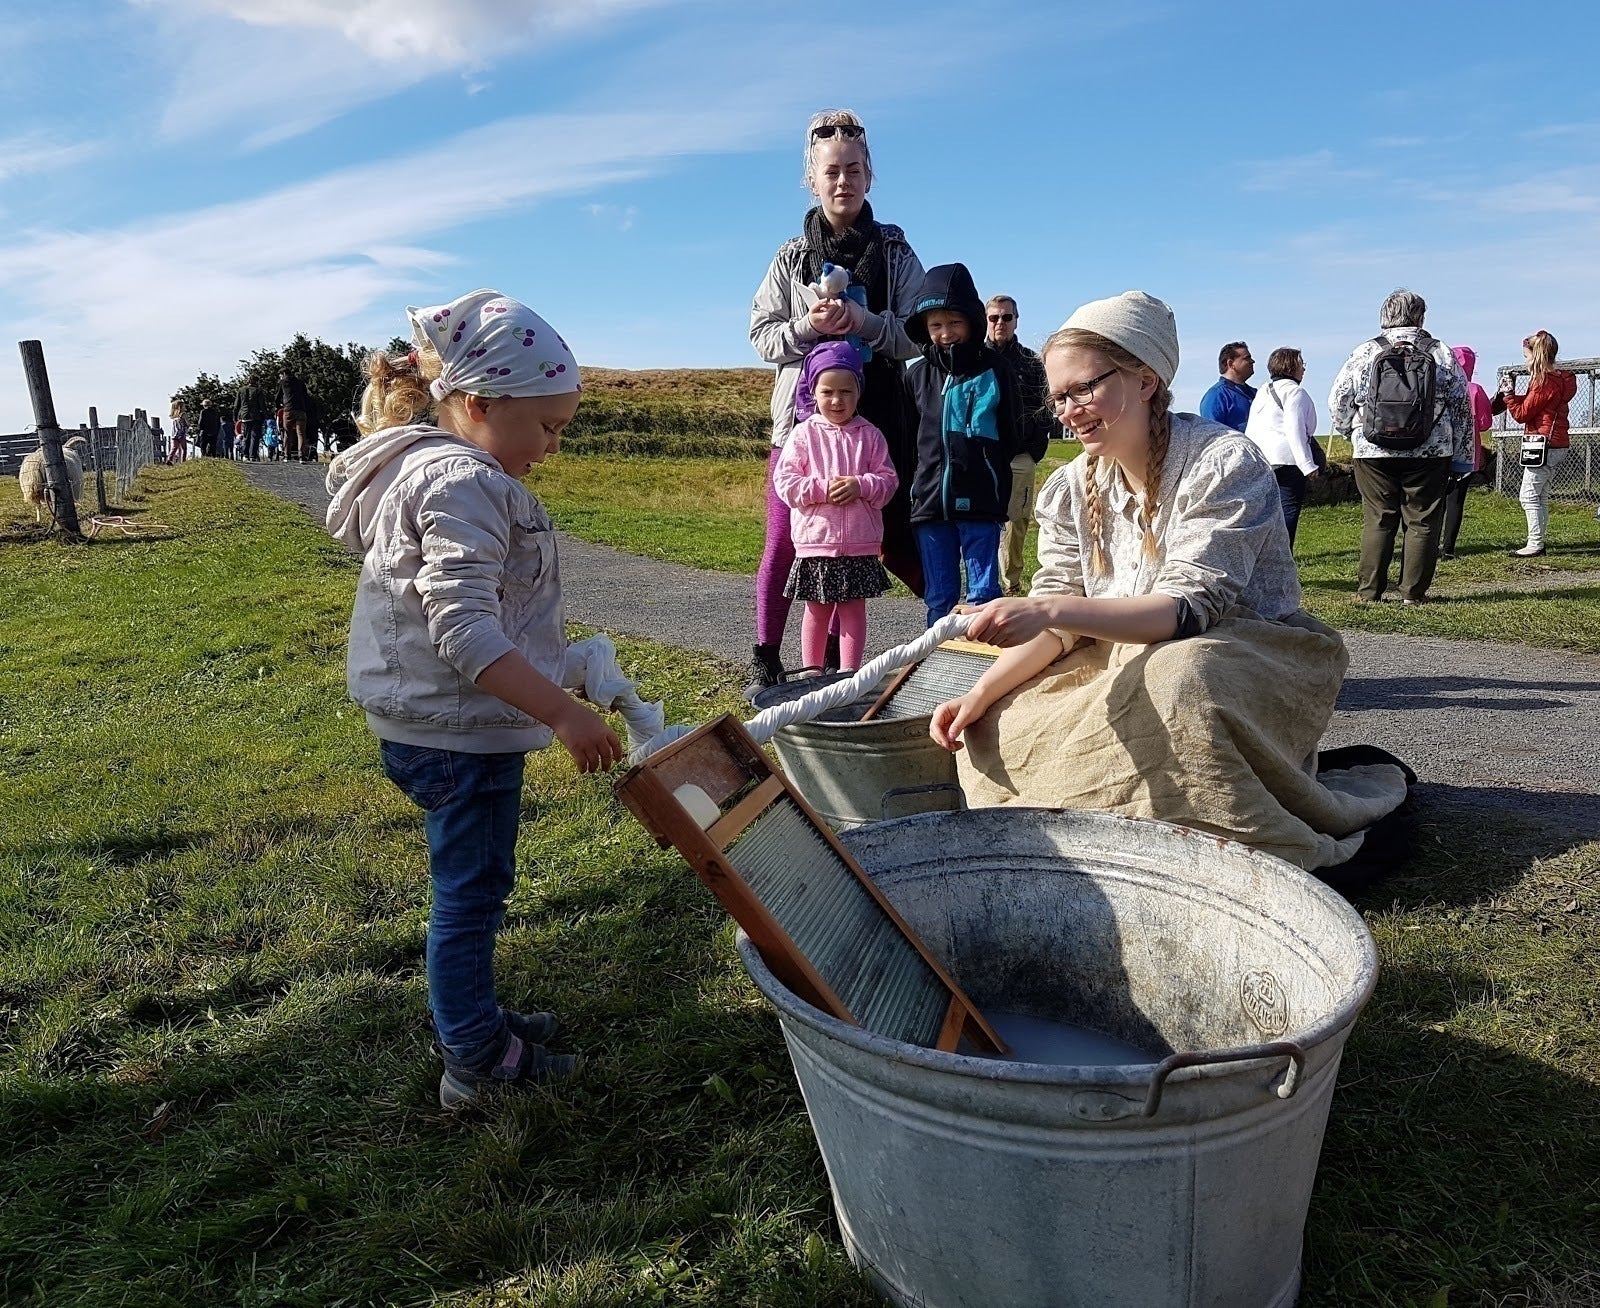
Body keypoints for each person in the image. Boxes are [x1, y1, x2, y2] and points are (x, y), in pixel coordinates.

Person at [927, 290, 1409, 871]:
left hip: (1248, 652)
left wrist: (1052, 613)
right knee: (1000, 719)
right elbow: (1057, 627)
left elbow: (1185, 611)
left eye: (1086, 388)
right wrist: (977, 696)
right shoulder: (1068, 489)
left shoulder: (1225, 463)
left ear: (1145, 379)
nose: (1070, 410)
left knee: (1177, 681)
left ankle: (1227, 839)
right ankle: (1090, 849)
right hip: (1121, 657)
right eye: (1059, 397)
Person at [325, 288, 622, 1108]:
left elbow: (482, 619)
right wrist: (561, 712)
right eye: (549, 427)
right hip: (458, 734)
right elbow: (462, 631)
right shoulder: (465, 483)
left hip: (436, 719)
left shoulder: (442, 471)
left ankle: (476, 1018)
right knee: (470, 894)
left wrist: (568, 665)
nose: (554, 447)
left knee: (473, 886)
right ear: (484, 403)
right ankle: (477, 1061)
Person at [748, 109, 926, 693]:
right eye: (831, 172)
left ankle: (948, 639)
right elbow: (761, 336)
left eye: (853, 170)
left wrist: (867, 322)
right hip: (799, 426)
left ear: (870, 177)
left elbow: (918, 334)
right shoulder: (790, 256)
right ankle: (773, 662)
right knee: (787, 544)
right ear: (813, 180)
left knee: (894, 541)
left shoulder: (897, 254)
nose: (843, 181)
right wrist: (806, 327)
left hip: (880, 424)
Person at [1328, 288, 1471, 605]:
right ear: (1420, 317)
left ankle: (1369, 592)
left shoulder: (1365, 352)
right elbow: (1462, 408)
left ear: (1383, 317)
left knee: (1378, 518)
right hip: (1430, 450)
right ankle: (1412, 593)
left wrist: (1348, 431)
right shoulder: (1440, 352)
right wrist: (1463, 457)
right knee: (1422, 521)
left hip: (1372, 449)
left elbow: (1338, 399)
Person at [903, 262, 1018, 625]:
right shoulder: (916, 375)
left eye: (955, 323)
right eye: (936, 325)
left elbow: (1012, 430)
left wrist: (991, 469)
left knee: (984, 595)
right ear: (925, 328)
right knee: (939, 595)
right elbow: (908, 440)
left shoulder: (995, 370)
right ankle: (936, 665)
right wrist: (915, 487)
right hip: (930, 504)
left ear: (971, 321)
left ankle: (987, 667)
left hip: (982, 499)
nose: (946, 333)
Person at [773, 341, 897, 672]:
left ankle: (849, 675)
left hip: (860, 544)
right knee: (816, 609)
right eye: (827, 391)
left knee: (854, 609)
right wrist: (823, 489)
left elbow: (888, 483)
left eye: (846, 391)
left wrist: (862, 485)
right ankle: (812, 674)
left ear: (859, 392)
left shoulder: (871, 436)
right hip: (816, 543)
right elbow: (785, 485)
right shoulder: (802, 435)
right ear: (813, 392)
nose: (837, 400)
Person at [986, 294, 1055, 595]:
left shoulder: (1031, 363)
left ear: (1016, 320)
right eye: (994, 317)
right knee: (981, 522)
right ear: (986, 320)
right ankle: (984, 584)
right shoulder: (974, 359)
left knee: (1016, 522)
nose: (1000, 323)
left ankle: (1010, 583)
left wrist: (1033, 448)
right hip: (982, 454)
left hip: (1020, 455)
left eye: (1006, 317)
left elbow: (1046, 407)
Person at [1494, 330, 1578, 557]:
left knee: (1528, 495)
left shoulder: (1543, 382)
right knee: (1540, 494)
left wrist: (1509, 396)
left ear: (1536, 355)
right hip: (1558, 441)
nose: (1525, 360)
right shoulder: (1563, 379)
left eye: (1526, 356)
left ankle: (1535, 543)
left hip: (1543, 443)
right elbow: (1537, 406)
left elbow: (1521, 414)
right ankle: (1537, 540)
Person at [1242, 347, 1322, 546]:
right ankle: (1283, 559)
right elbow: (1295, 429)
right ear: (1292, 366)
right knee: (1288, 512)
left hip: (1261, 460)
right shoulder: (1295, 392)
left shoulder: (1263, 391)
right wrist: (1307, 465)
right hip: (1287, 460)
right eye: (1301, 364)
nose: (1303, 369)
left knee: (1264, 514)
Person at [1440, 345, 1494, 561]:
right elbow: (1484, 424)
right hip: (1467, 453)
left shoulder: (1441, 386)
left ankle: (1427, 545)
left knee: (1436, 500)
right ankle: (1448, 549)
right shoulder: (1475, 390)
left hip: (1441, 449)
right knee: (1456, 500)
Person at [1198, 341, 1257, 432]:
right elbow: (1211, 433)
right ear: (1230, 363)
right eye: (1247, 358)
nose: (1252, 361)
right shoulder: (1216, 396)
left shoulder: (1255, 393)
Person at [279, 367, 312, 462]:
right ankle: (302, 456)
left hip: (288, 409)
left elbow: (278, 397)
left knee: (287, 433)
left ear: (284, 373)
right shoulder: (300, 382)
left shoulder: (282, 383)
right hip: (301, 410)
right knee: (301, 433)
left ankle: (287, 455)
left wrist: (279, 406)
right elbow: (306, 396)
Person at [235, 384, 266, 460]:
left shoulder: (241, 390)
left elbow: (236, 405)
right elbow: (262, 404)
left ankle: (245, 455)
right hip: (256, 416)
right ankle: (253, 455)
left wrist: (235, 416)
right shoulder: (258, 390)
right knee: (254, 437)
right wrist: (265, 415)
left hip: (245, 415)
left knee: (246, 436)